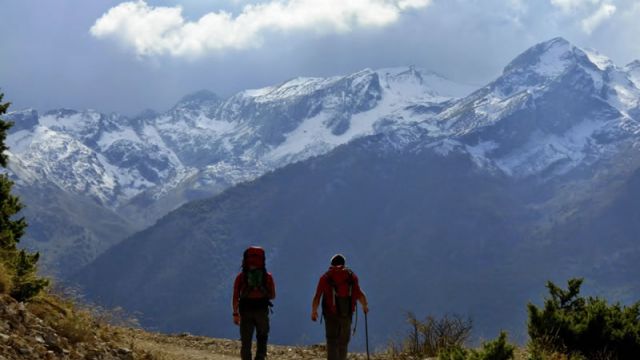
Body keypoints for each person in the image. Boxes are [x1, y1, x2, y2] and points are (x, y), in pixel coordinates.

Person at [311, 254, 369, 360]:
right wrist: (365, 306)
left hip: (330, 314)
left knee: (332, 340)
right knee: (343, 342)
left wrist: (314, 311)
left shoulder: (326, 277)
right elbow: (360, 294)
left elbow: (317, 296)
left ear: (331, 264)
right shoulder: (351, 276)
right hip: (346, 315)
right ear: (344, 264)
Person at [232, 246, 276, 360]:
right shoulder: (268, 277)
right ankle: (260, 357)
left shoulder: (241, 277)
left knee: (246, 340)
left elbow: (235, 296)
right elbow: (273, 296)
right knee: (262, 337)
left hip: (245, 310)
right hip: (261, 310)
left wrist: (235, 313)